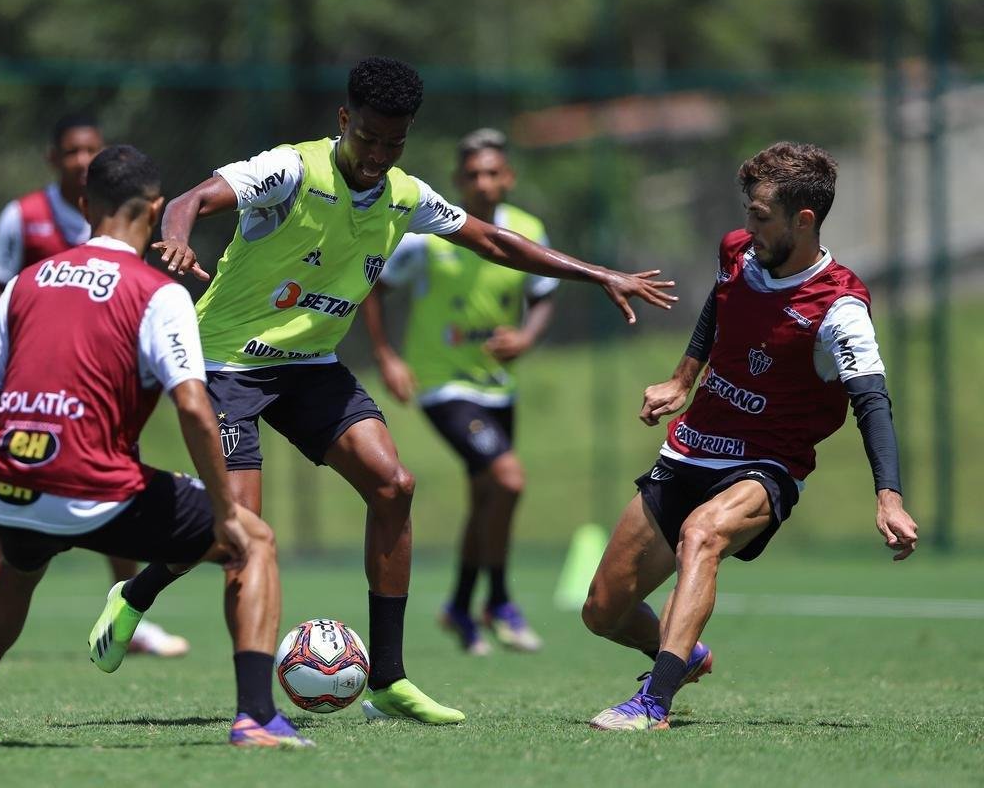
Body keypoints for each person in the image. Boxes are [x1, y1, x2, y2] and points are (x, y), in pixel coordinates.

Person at [103, 56, 676, 725]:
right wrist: (173, 240)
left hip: (310, 365)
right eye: (368, 137)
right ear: (344, 120)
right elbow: (188, 201)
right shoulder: (290, 169)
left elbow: (491, 239)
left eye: (394, 141)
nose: (378, 154)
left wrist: (599, 272)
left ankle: (389, 679)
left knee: (393, 484)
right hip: (227, 367)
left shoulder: (406, 195)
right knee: (243, 537)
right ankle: (236, 694)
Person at [0, 145, 311, 748]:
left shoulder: (24, 285)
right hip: (93, 488)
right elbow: (192, 405)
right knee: (253, 541)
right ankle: (257, 718)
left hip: (11, 487)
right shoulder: (158, 293)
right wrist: (223, 511)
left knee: (18, 567)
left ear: (85, 205)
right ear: (157, 208)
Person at [581, 142, 919, 731]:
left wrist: (888, 495)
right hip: (694, 444)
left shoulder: (839, 306)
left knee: (702, 534)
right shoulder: (738, 252)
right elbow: (719, 304)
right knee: (602, 610)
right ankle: (684, 653)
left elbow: (871, 401)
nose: (748, 226)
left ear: (803, 220)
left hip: (768, 462)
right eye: (749, 211)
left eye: (761, 215)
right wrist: (682, 379)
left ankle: (653, 703)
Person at [0, 112, 187, 661]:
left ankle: (131, 615)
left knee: (118, 481)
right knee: (14, 490)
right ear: (53, 159)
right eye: (71, 151)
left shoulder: (121, 213)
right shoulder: (24, 217)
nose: (83, 159)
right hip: (36, 382)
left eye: (92, 149)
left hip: (104, 384)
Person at [360, 128, 555, 655]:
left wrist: (527, 336)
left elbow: (543, 293)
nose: (483, 182)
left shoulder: (529, 229)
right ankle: (499, 599)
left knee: (487, 495)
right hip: (442, 386)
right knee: (508, 482)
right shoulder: (429, 237)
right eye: (472, 175)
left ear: (508, 177)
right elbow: (373, 287)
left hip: (497, 387)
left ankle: (462, 608)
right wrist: (387, 356)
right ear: (457, 182)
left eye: (493, 172)